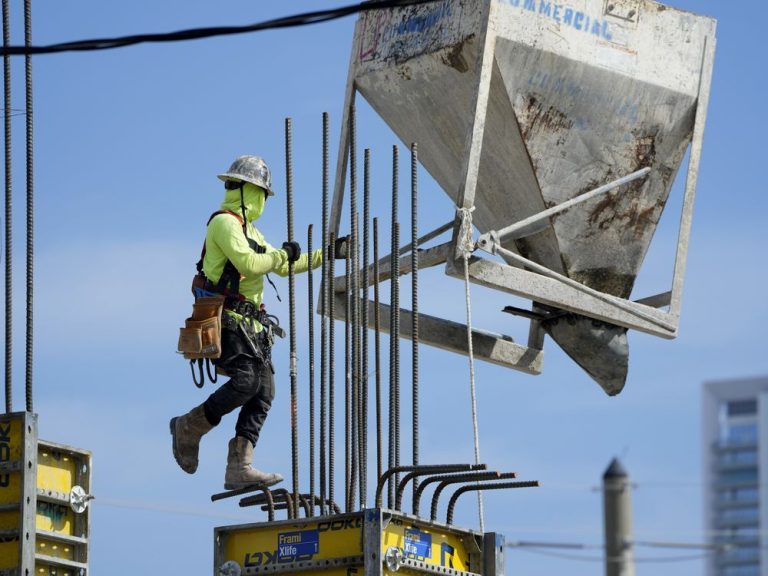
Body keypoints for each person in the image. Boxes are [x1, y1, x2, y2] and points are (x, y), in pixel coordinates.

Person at [170, 155, 326, 490]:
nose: (262, 201)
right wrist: (281, 254)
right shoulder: (224, 224)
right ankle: (189, 425)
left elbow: (281, 267)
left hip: (252, 327)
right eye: (259, 193)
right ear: (243, 190)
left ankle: (239, 464)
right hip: (226, 320)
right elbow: (251, 264)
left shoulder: (250, 230)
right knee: (246, 382)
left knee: (263, 390)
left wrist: (326, 255)